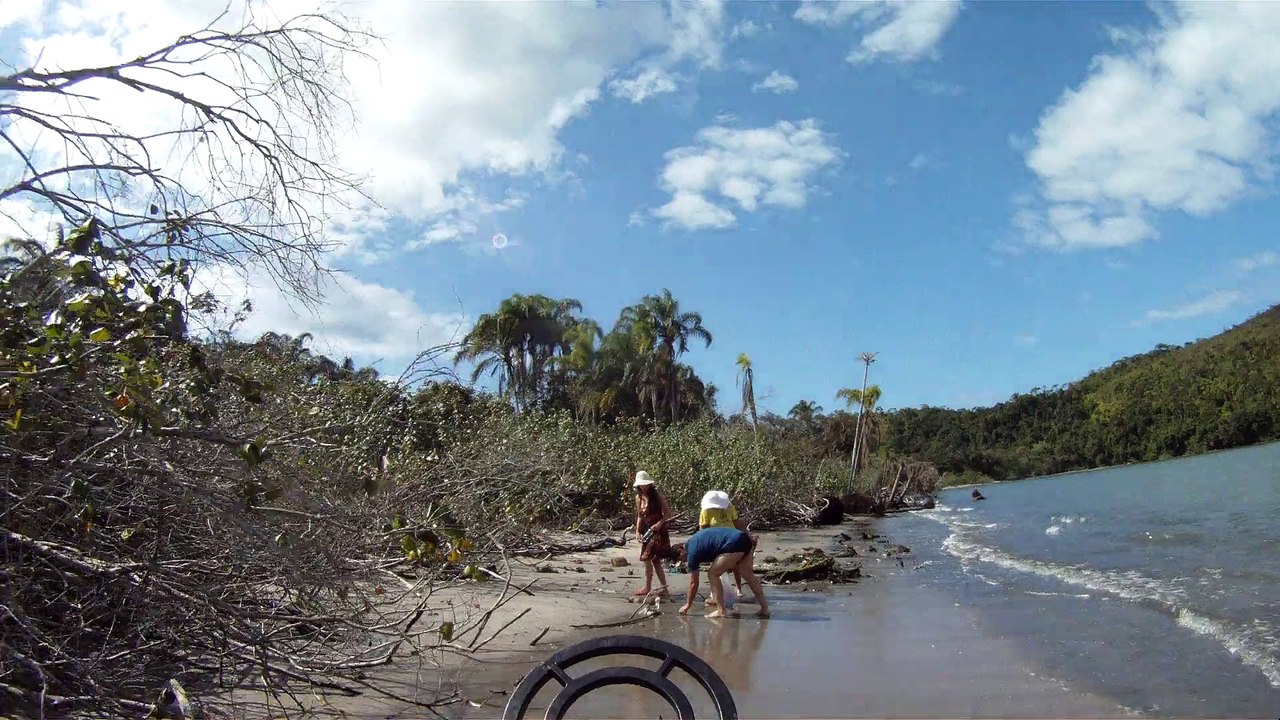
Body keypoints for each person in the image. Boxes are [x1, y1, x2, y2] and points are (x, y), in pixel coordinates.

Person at [673, 526, 770, 619]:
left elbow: (694, 583)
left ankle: (721, 611)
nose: (683, 561)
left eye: (680, 559)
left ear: (680, 550)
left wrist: (688, 605)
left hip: (733, 543)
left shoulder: (691, 553)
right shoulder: (695, 540)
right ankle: (765, 609)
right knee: (747, 574)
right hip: (745, 538)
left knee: (713, 574)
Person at [698, 490, 751, 600]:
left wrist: (747, 534)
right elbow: (703, 527)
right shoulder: (706, 511)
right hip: (716, 541)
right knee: (717, 567)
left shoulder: (729, 506)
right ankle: (716, 592)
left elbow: (736, 522)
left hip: (732, 538)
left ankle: (738, 588)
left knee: (736, 565)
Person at [633, 470, 673, 598]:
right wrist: (638, 531)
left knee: (655, 560)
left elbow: (667, 513)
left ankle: (664, 588)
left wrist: (660, 524)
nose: (644, 487)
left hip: (659, 531)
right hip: (647, 530)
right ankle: (648, 587)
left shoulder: (657, 496)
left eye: (645, 484)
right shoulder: (639, 498)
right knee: (646, 559)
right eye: (641, 485)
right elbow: (640, 515)